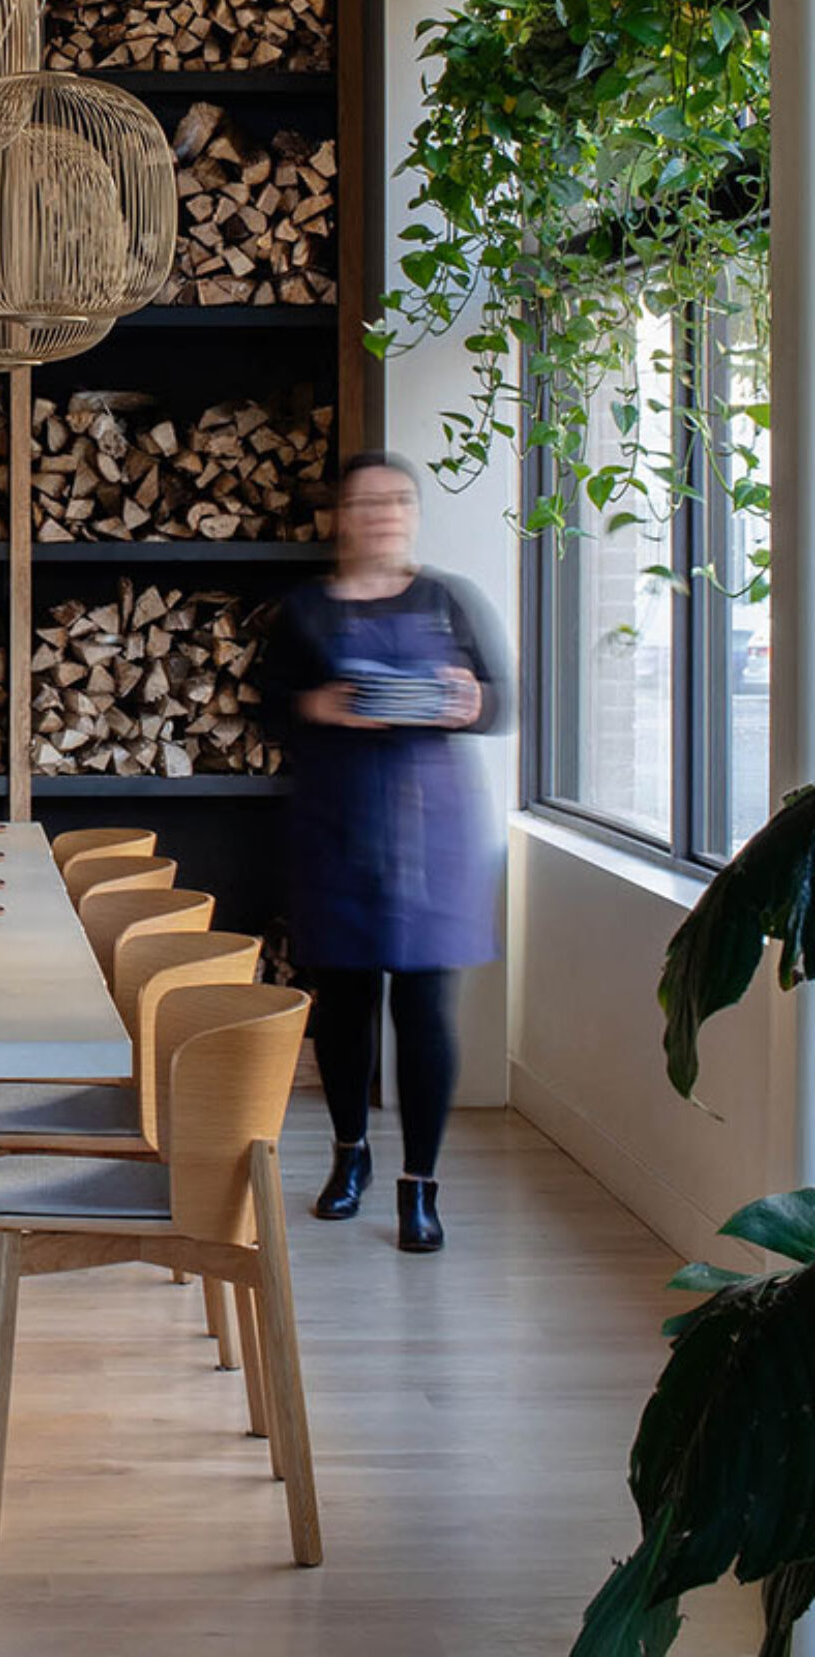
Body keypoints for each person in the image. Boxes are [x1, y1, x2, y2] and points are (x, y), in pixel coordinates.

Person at [264, 451, 509, 1252]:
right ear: (341, 516)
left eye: (397, 500)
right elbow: (268, 707)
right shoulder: (305, 610)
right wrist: (320, 704)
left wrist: (472, 701)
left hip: (431, 830)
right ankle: (350, 1156)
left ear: (413, 513)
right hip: (337, 826)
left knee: (426, 1007)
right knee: (343, 1003)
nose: (382, 514)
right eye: (366, 501)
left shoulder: (448, 600)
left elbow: (503, 702)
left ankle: (421, 1186)